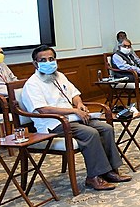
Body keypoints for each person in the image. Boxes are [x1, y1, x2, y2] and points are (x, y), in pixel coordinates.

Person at [20, 45, 131, 191]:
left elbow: (74, 94)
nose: (48, 62)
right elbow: (42, 109)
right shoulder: (32, 84)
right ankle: (94, 177)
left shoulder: (59, 75)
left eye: (51, 59)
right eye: (43, 60)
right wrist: (73, 110)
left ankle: (109, 171)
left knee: (106, 128)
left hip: (72, 118)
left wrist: (79, 105)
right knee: (90, 133)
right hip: (53, 124)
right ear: (35, 63)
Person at [111, 38, 140, 110]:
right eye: (125, 46)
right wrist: (139, 70)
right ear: (119, 47)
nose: (127, 48)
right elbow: (124, 67)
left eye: (129, 46)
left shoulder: (130, 55)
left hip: (135, 74)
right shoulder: (116, 56)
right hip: (124, 76)